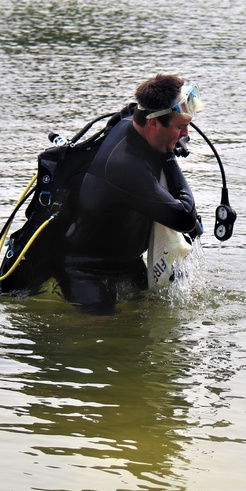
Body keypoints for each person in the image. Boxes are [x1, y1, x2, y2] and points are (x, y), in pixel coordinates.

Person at [57, 74, 204, 313]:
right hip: (86, 272)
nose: (186, 134)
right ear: (153, 123)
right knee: (105, 334)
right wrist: (168, 156)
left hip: (126, 263)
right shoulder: (124, 165)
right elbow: (185, 218)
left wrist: (168, 144)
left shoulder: (134, 125)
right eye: (179, 127)